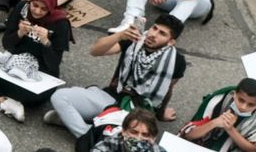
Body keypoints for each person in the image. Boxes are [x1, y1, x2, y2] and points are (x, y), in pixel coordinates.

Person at [48, 16, 189, 138]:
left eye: (162, 33)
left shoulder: (177, 61)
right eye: (154, 28)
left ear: (171, 41)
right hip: (111, 97)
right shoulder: (134, 40)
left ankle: (77, 122)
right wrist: (119, 36)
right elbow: (95, 51)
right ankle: (86, 133)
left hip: (138, 111)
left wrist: (161, 113)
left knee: (132, 138)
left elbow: (167, 89)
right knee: (59, 96)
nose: (153, 34)